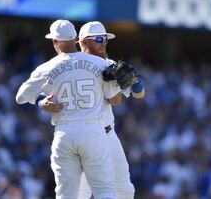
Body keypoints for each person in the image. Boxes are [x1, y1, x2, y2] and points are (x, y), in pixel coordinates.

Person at [38, 21, 145, 199]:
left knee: (124, 190)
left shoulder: (110, 65)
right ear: (83, 42)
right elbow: (40, 93)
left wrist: (135, 79)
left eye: (105, 39)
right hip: (83, 133)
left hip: (107, 134)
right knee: (81, 193)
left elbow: (138, 95)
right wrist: (42, 103)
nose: (103, 42)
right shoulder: (67, 65)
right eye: (98, 39)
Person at [15, 19, 121, 199]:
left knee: (66, 195)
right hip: (92, 131)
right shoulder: (100, 64)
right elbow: (114, 97)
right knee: (105, 191)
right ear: (75, 39)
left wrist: (41, 102)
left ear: (55, 42)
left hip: (64, 132)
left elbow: (21, 96)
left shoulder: (47, 67)